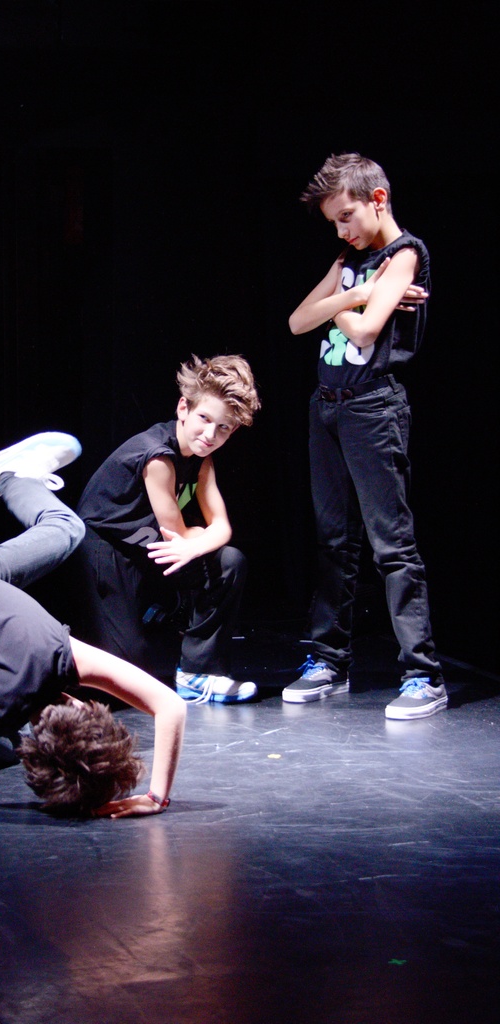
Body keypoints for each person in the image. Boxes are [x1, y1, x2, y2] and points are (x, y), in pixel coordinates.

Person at [0, 432, 187, 818]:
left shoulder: (65, 659)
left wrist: (156, 798)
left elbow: (170, 707)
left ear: (87, 707)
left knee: (67, 528)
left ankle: (12, 477)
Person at [282, 153, 445, 720]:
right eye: (334, 223)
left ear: (378, 199)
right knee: (334, 541)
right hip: (326, 406)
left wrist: (341, 307)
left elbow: (368, 331)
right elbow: (296, 322)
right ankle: (329, 660)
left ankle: (423, 673)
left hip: (373, 407)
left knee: (391, 544)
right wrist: (354, 296)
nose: (342, 231)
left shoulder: (405, 254)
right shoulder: (349, 261)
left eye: (347, 216)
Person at [75, 355, 261, 704]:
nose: (210, 435)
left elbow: (221, 526)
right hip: (104, 552)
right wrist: (198, 539)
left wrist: (196, 542)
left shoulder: (202, 460)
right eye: (204, 419)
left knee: (229, 562)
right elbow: (177, 533)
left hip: (152, 549)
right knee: (126, 678)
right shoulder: (157, 457)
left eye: (224, 427)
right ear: (183, 408)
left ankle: (198, 673)